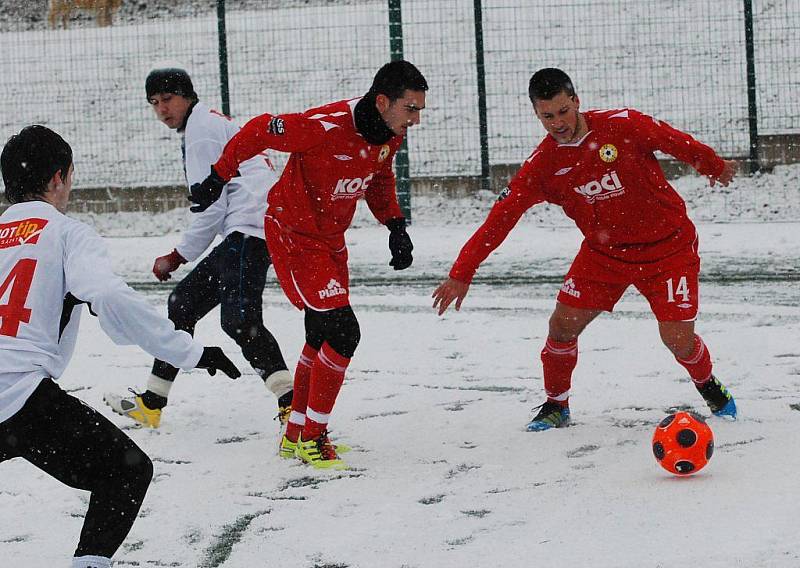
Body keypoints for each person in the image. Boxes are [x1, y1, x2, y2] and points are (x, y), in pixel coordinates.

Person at [432, 68, 738, 431]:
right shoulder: (542, 166)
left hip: (668, 248)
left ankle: (707, 384)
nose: (558, 122)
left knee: (678, 340)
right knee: (561, 326)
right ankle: (555, 405)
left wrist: (712, 164)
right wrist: (461, 273)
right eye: (548, 116)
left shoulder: (623, 125)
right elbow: (499, 219)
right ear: (536, 114)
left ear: (576, 101)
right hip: (604, 255)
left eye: (563, 111)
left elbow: (672, 140)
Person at [0, 125, 240, 568]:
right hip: (20, 400)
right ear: (59, 178)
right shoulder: (67, 234)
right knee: (125, 472)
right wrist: (189, 352)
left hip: (21, 400)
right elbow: (110, 298)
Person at [189, 60, 427, 468]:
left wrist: (394, 224)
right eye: (411, 109)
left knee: (320, 334)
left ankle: (296, 432)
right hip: (293, 237)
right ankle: (314, 437)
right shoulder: (324, 127)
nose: (417, 119)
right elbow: (260, 128)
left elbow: (380, 176)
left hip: (330, 241)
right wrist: (218, 174)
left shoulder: (391, 132)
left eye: (420, 110)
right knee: (344, 332)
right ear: (383, 101)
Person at [104, 67, 293, 429]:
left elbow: (213, 206)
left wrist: (177, 256)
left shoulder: (201, 131)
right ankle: (152, 402)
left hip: (251, 229)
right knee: (183, 304)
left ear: (187, 96)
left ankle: (292, 404)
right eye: (154, 103)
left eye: (168, 99)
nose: (161, 110)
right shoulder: (204, 123)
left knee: (239, 320)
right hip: (249, 227)